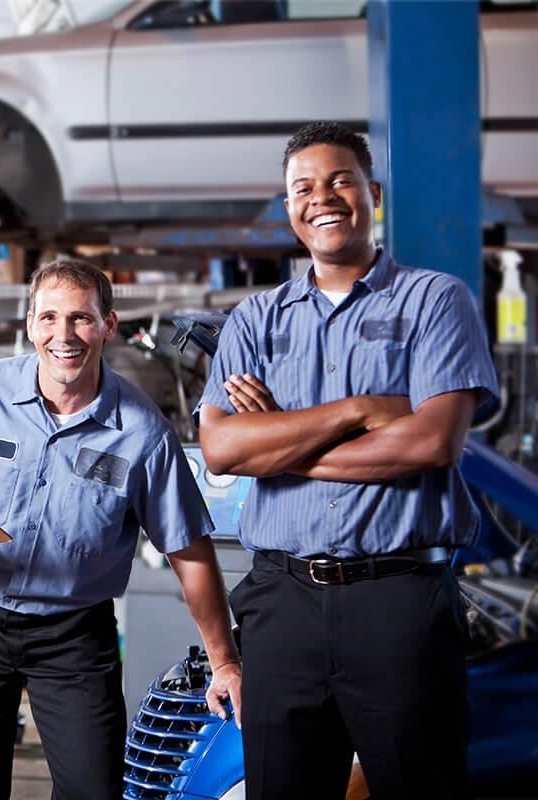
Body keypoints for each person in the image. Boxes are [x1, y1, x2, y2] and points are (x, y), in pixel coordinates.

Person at [197, 121, 499, 800]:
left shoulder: (435, 301)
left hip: (400, 602)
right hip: (282, 607)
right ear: (289, 207)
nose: (322, 197)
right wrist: (358, 410)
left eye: (340, 180)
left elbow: (432, 443)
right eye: (303, 187)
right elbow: (222, 448)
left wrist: (276, 445)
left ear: (373, 193)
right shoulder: (255, 321)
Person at [0, 258, 241, 800]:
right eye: (48, 318)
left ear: (109, 326)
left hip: (71, 633)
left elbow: (189, 552)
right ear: (30, 324)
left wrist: (223, 660)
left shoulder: (143, 434)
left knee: (93, 788)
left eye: (81, 319)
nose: (62, 335)